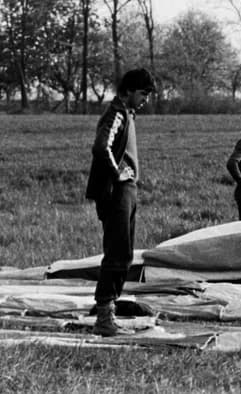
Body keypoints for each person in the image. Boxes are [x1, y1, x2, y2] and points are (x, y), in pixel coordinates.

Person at [85, 68, 156, 336]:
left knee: (124, 254)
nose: (145, 99)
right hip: (116, 191)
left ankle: (109, 312)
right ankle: (104, 317)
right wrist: (117, 173)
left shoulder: (127, 114)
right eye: (143, 93)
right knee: (117, 253)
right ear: (128, 91)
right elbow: (101, 147)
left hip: (127, 189)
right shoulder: (115, 112)